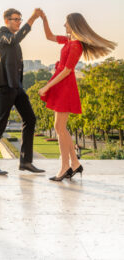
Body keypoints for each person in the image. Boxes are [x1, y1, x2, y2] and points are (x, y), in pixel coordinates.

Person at [38, 12, 116, 181]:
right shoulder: (68, 41)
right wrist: (44, 19)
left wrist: (47, 86)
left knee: (59, 127)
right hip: (61, 85)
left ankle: (66, 166)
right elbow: (49, 36)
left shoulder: (75, 46)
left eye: (66, 23)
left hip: (65, 86)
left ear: (73, 25)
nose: (64, 26)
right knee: (59, 127)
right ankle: (74, 164)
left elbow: (67, 70)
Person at [0, 8, 45, 175]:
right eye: (16, 19)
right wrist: (32, 19)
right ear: (6, 21)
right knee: (0, 124)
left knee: (30, 119)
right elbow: (13, 40)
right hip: (5, 86)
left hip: (16, 86)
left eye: (20, 19)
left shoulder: (12, 38)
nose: (19, 21)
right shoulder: (2, 33)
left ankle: (26, 162)